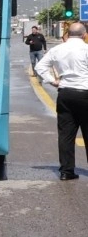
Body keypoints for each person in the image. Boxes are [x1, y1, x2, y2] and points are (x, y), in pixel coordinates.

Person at [34, 22, 88, 181]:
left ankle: (66, 171)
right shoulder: (86, 49)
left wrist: (53, 81)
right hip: (85, 93)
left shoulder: (57, 49)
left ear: (67, 33)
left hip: (65, 93)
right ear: (84, 35)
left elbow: (40, 67)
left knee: (66, 134)